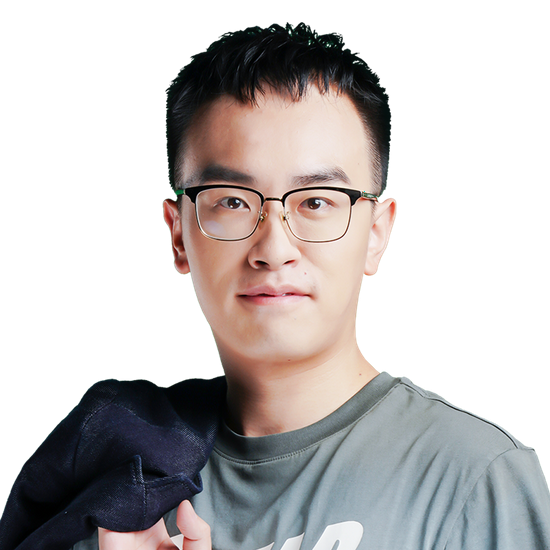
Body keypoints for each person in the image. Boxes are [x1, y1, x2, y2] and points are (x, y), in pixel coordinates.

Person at [4, 23, 549, 550]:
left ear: (377, 235)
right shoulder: (110, 485)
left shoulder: (472, 478)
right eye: (232, 201)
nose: (274, 248)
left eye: (316, 202)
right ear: (178, 236)